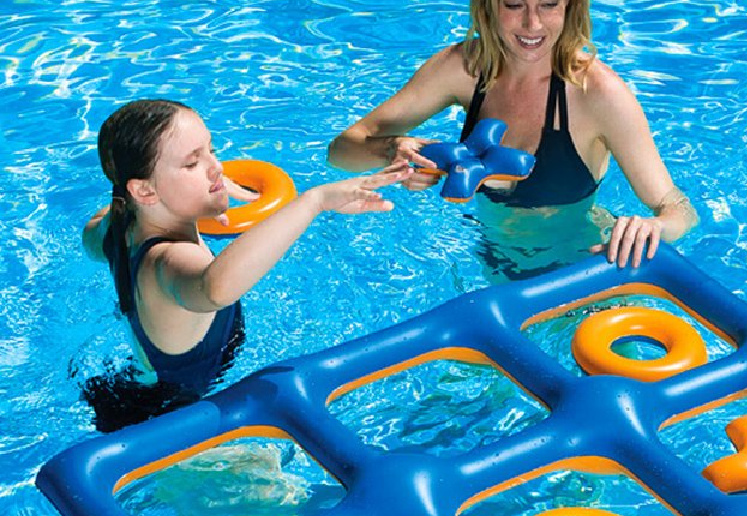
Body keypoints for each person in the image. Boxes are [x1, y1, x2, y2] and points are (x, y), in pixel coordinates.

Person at [82, 98, 407, 430]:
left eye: (212, 150)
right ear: (145, 191)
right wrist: (314, 202)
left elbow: (93, 232)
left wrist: (202, 195)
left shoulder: (117, 227)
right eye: (193, 163)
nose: (217, 168)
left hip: (140, 395)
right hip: (178, 427)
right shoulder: (167, 260)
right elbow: (216, 288)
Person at [326, 0, 697, 271]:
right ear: (489, 7)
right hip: (492, 265)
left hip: (584, 273)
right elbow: (341, 151)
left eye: (549, 5)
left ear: (571, 8)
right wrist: (394, 149)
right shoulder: (466, 68)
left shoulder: (596, 93)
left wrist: (653, 226)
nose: (532, 24)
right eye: (515, 5)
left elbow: (679, 209)